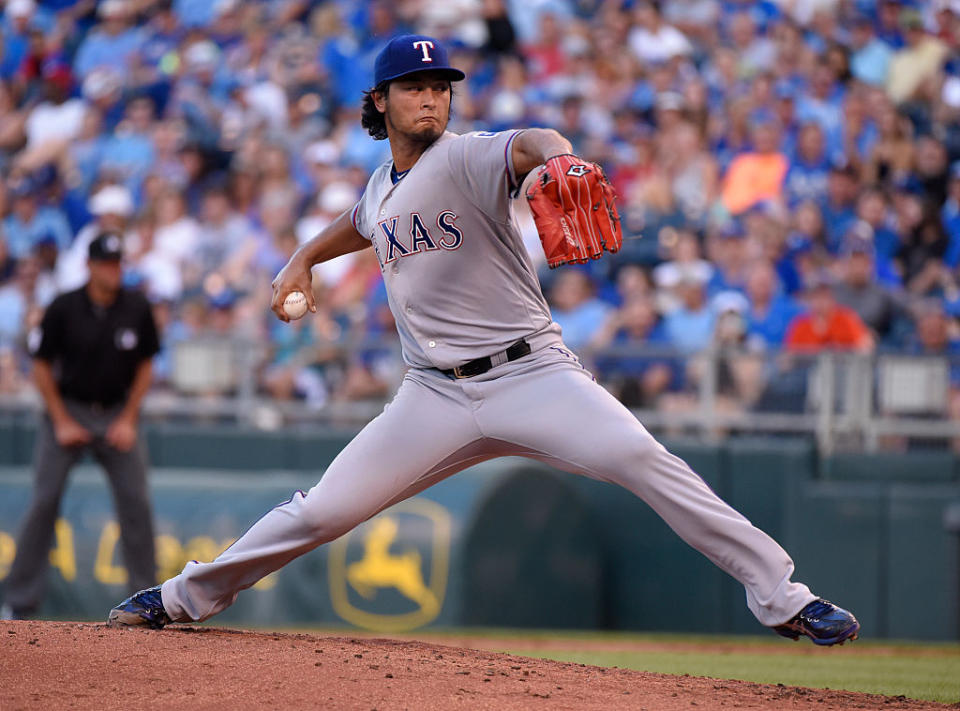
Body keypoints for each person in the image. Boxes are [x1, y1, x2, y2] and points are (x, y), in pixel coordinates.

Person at [108, 34, 860, 646]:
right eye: (415, 86)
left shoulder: (465, 158)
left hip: (531, 375)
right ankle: (184, 597)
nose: (432, 96)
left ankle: (785, 597)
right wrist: (302, 256)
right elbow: (363, 221)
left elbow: (530, 142)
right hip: (431, 393)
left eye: (440, 85)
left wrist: (561, 155)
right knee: (322, 510)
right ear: (380, 102)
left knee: (643, 458)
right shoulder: (381, 186)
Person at [1, 233, 160, 620]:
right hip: (68, 409)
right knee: (43, 500)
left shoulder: (136, 307)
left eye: (118, 263)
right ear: (89, 266)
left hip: (115, 411)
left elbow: (145, 366)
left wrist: (127, 418)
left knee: (136, 502)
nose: (114, 270)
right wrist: (60, 420)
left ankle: (146, 602)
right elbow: (40, 365)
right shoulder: (64, 307)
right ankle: (17, 602)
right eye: (107, 263)